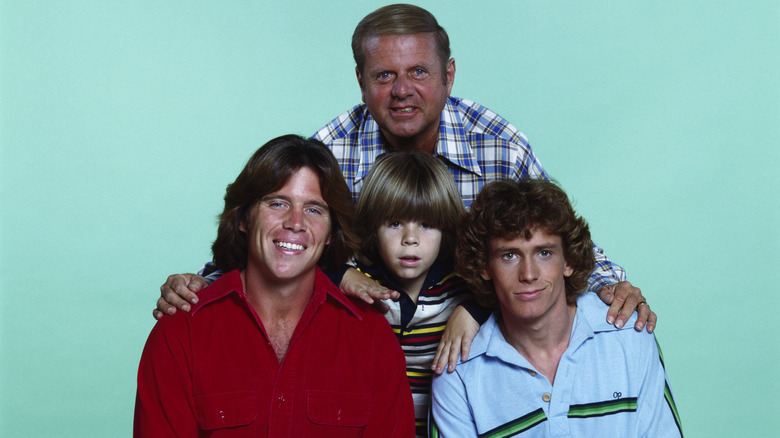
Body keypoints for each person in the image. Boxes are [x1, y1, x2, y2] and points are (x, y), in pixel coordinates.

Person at [155, 3, 656, 368]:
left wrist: (612, 285)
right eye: (384, 75)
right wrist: (200, 283)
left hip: (471, 350)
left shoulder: (499, 146)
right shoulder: (330, 149)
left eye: (419, 71)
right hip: (353, 355)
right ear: (360, 80)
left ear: (449, 75)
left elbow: (557, 242)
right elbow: (278, 240)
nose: (402, 91)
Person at [134, 135, 415, 437]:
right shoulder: (180, 333)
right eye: (277, 203)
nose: (295, 223)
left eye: (314, 210)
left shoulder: (371, 338)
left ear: (332, 232)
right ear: (244, 218)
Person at [430, 179, 683, 437]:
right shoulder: (457, 374)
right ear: (485, 267)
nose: (528, 274)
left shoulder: (628, 335)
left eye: (544, 253)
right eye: (509, 255)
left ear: (569, 261)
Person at [351, 151, 469, 437]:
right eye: (395, 223)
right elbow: (311, 274)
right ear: (372, 229)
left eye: (426, 224)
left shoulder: (461, 286)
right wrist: (342, 275)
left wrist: (472, 313)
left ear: (446, 229)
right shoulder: (362, 284)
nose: (410, 238)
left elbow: (507, 296)